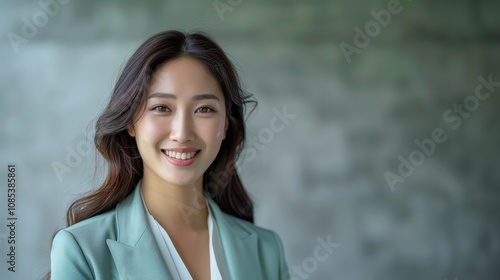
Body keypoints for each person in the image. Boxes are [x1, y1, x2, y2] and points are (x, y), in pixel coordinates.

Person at [49, 30, 289, 279]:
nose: (182, 133)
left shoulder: (266, 251)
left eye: (204, 109)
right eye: (161, 108)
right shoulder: (81, 250)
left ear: (226, 125)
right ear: (131, 122)